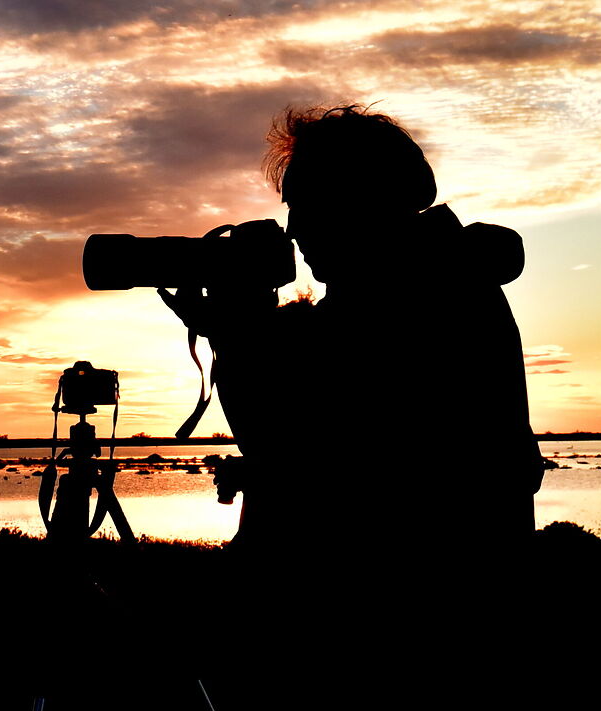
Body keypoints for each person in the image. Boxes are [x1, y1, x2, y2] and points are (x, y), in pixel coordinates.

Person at [166, 104, 542, 565]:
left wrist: (237, 331)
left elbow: (286, 443)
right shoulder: (426, 278)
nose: (294, 229)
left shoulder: (418, 296)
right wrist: (242, 327)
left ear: (360, 199)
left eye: (307, 204)